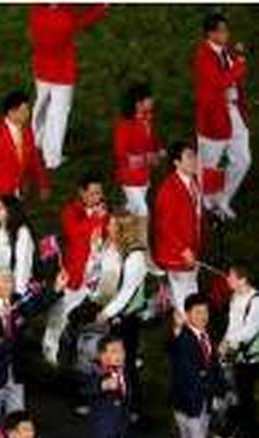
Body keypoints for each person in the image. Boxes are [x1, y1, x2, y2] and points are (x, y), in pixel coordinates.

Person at [0, 268, 67, 418]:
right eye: (5, 281)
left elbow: (36, 305)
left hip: (16, 373)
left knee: (18, 417)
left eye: (11, 280)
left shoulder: (17, 300)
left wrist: (56, 288)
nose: (10, 285)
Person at [164, 293, 228, 438]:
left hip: (204, 401)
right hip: (188, 403)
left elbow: (214, 367)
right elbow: (177, 356)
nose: (203, 316)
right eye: (198, 312)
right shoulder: (182, 338)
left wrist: (221, 389)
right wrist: (176, 329)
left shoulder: (207, 336)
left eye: (205, 312)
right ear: (188, 314)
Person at [28, 4, 107, 170]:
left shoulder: (36, 12)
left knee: (41, 105)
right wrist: (100, 7)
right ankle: (52, 158)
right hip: (62, 73)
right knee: (58, 115)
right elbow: (82, 21)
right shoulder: (65, 19)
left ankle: (35, 141)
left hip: (41, 68)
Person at [42, 172, 108, 366]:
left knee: (83, 311)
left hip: (94, 272)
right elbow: (74, 233)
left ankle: (81, 349)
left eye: (100, 193)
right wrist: (95, 218)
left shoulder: (103, 211)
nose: (98, 197)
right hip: (73, 272)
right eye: (93, 193)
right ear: (82, 192)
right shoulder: (71, 211)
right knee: (61, 311)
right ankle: (49, 347)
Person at [194, 12, 250, 219]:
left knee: (243, 160)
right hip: (213, 117)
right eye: (222, 31)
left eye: (227, 30)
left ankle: (223, 198)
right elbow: (219, 81)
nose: (226, 34)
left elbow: (232, 80)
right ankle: (202, 205)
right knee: (207, 166)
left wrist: (237, 60)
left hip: (233, 112)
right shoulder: (203, 55)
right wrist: (239, 66)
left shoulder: (226, 52)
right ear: (210, 34)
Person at [93, 215, 150, 412]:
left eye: (115, 227)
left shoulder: (135, 257)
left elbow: (126, 293)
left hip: (127, 317)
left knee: (127, 362)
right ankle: (117, 402)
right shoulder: (120, 251)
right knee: (114, 361)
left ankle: (133, 408)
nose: (111, 230)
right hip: (117, 313)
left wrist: (105, 313)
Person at [152, 142, 203, 318]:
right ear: (177, 163)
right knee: (187, 298)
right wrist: (183, 250)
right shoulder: (169, 190)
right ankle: (190, 326)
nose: (195, 160)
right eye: (189, 157)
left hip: (191, 249)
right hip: (176, 254)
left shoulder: (193, 182)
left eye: (194, 156)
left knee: (188, 290)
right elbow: (164, 226)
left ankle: (176, 312)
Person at [214, 265, 259, 438]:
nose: (227, 279)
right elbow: (233, 325)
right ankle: (226, 435)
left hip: (254, 357)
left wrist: (228, 342)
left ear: (243, 279)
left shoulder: (256, 301)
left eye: (231, 276)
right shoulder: (235, 298)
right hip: (239, 355)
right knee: (236, 396)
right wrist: (225, 342)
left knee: (245, 399)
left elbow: (250, 330)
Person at [0, 90, 50, 210]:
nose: (28, 114)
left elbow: (34, 160)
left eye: (28, 110)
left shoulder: (28, 133)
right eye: (23, 111)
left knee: (19, 219)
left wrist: (43, 184)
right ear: (11, 113)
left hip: (21, 192)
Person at [113, 82, 164, 216]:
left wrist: (159, 152)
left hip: (144, 177)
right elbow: (121, 153)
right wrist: (147, 158)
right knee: (142, 213)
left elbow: (154, 145)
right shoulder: (124, 124)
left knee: (132, 214)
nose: (152, 100)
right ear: (138, 103)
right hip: (129, 178)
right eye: (148, 98)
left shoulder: (148, 122)